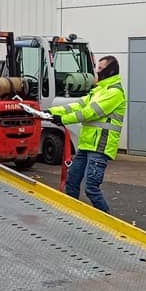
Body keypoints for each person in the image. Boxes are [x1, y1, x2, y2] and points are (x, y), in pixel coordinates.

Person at [46, 55, 127, 213]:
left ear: (110, 71)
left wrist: (63, 119)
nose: (97, 71)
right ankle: (73, 216)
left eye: (100, 69)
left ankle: (108, 222)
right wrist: (50, 112)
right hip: (87, 144)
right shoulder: (99, 90)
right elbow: (77, 105)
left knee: (91, 188)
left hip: (100, 146)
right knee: (72, 182)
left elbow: (90, 113)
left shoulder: (114, 92)